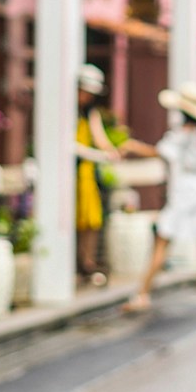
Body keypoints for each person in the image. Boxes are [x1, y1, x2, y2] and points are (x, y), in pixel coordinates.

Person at [126, 82, 196, 314]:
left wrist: (133, 146)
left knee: (163, 241)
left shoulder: (183, 133)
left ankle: (142, 294)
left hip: (186, 189)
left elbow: (161, 152)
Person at [74, 65, 120, 286]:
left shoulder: (90, 113)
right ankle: (77, 263)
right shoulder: (69, 112)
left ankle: (88, 261)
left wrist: (111, 150)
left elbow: (98, 136)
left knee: (91, 219)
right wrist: (95, 153)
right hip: (72, 172)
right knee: (75, 218)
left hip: (87, 173)